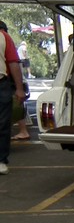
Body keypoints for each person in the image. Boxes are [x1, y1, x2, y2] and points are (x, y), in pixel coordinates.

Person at [0, 19, 28, 175]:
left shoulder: (3, 37)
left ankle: (1, 160)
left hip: (1, 83)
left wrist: (19, 88)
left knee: (3, 123)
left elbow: (13, 63)